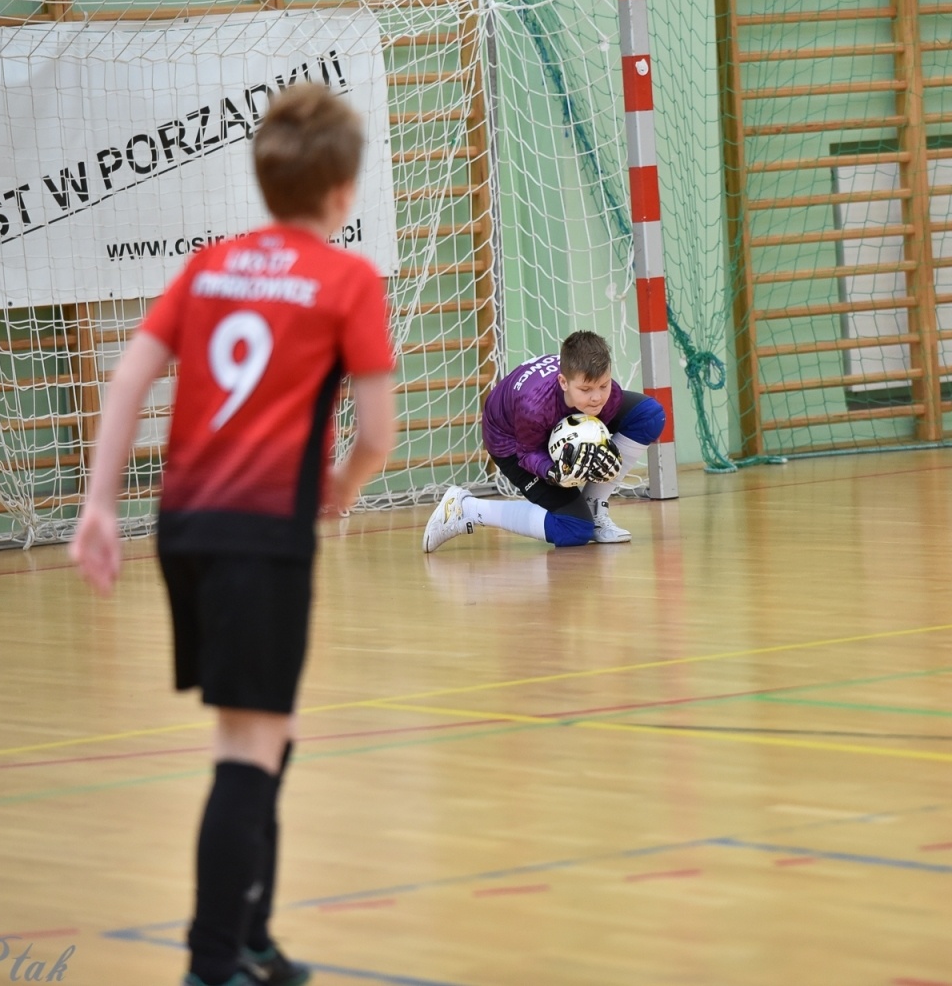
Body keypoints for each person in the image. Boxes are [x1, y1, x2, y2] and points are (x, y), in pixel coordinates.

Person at [70, 83, 396, 986]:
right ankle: (213, 964)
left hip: (187, 525)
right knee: (247, 744)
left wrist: (100, 505)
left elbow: (129, 381)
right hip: (262, 534)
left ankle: (252, 935)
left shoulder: (207, 265)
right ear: (342, 194)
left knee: (271, 728)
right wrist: (338, 489)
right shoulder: (346, 280)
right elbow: (376, 435)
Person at [422, 330, 665, 552]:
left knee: (649, 416)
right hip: (513, 442)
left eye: (604, 385)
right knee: (575, 530)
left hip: (560, 417)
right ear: (563, 382)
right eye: (586, 389)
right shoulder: (534, 407)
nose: (597, 397)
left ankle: (593, 505)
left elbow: (607, 406)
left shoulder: (605, 395)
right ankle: (466, 509)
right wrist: (555, 474)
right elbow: (527, 454)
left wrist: (604, 453)